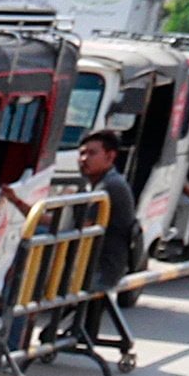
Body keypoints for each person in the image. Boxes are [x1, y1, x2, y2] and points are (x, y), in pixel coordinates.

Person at [77, 127, 143, 359]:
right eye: (82, 153)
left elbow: (77, 227)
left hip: (102, 269)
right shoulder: (99, 183)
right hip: (95, 263)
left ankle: (15, 348)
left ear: (110, 156)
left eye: (91, 153)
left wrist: (24, 207)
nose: (84, 159)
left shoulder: (110, 188)